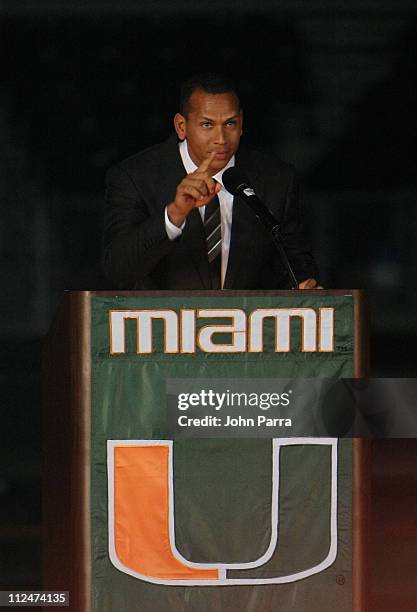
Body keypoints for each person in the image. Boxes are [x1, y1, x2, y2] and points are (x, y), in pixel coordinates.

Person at [103, 73, 319, 290]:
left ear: (241, 123)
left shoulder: (276, 180)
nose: (221, 139)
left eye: (230, 124)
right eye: (207, 125)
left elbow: (296, 263)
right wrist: (174, 214)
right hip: (167, 322)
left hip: (246, 321)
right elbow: (118, 270)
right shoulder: (134, 177)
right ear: (181, 126)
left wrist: (301, 286)